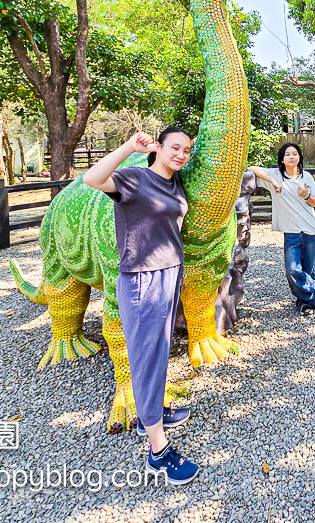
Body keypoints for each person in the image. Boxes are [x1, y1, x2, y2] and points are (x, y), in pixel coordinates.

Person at [82, 127, 200, 486]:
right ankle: (158, 452)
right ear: (159, 148)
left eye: (187, 150)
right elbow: (92, 179)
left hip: (169, 275)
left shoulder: (175, 184)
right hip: (142, 280)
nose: (181, 154)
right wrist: (128, 147)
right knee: (146, 357)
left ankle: (155, 409)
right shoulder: (135, 178)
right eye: (175, 148)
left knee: (160, 351)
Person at [247, 143, 315, 316]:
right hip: (290, 231)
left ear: (299, 157)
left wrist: (305, 195)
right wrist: (273, 181)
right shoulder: (275, 175)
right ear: (282, 160)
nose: (292, 157)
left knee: (309, 268)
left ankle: (307, 304)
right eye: (287, 154)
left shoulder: (307, 177)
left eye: (295, 154)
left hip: (309, 228)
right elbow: (250, 168)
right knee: (293, 270)